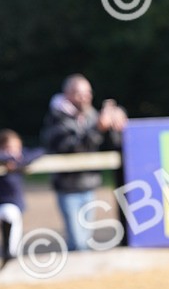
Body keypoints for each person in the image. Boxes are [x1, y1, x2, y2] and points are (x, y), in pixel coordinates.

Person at [40, 74, 127, 250]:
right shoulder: (57, 117)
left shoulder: (90, 114)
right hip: (68, 187)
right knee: (78, 243)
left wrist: (115, 120)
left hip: (89, 185)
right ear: (68, 93)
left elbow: (110, 144)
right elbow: (68, 147)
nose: (86, 97)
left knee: (85, 240)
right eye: (80, 93)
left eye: (88, 93)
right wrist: (97, 128)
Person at [0, 129, 45, 268]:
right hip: (3, 201)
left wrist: (19, 161)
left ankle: (11, 254)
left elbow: (40, 151)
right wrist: (7, 159)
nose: (13, 151)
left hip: (13, 203)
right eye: (9, 148)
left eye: (16, 148)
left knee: (12, 217)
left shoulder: (20, 158)